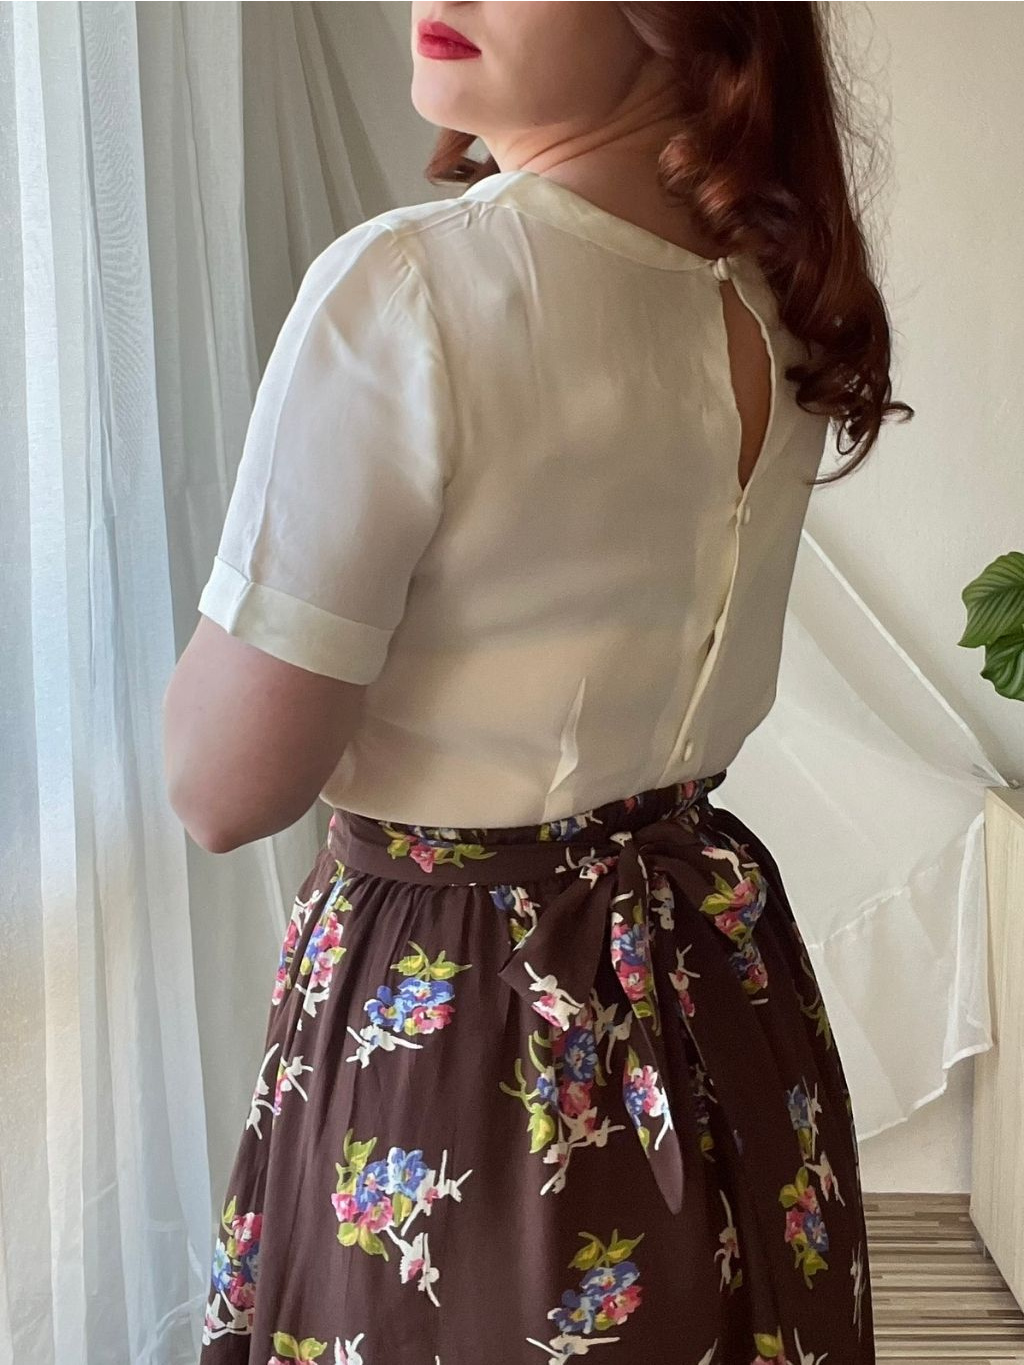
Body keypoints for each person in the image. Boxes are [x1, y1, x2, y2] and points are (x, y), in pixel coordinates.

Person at [164, 4, 911, 1362]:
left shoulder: (409, 288)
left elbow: (222, 787)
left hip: (471, 1028)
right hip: (718, 983)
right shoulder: (775, 297)